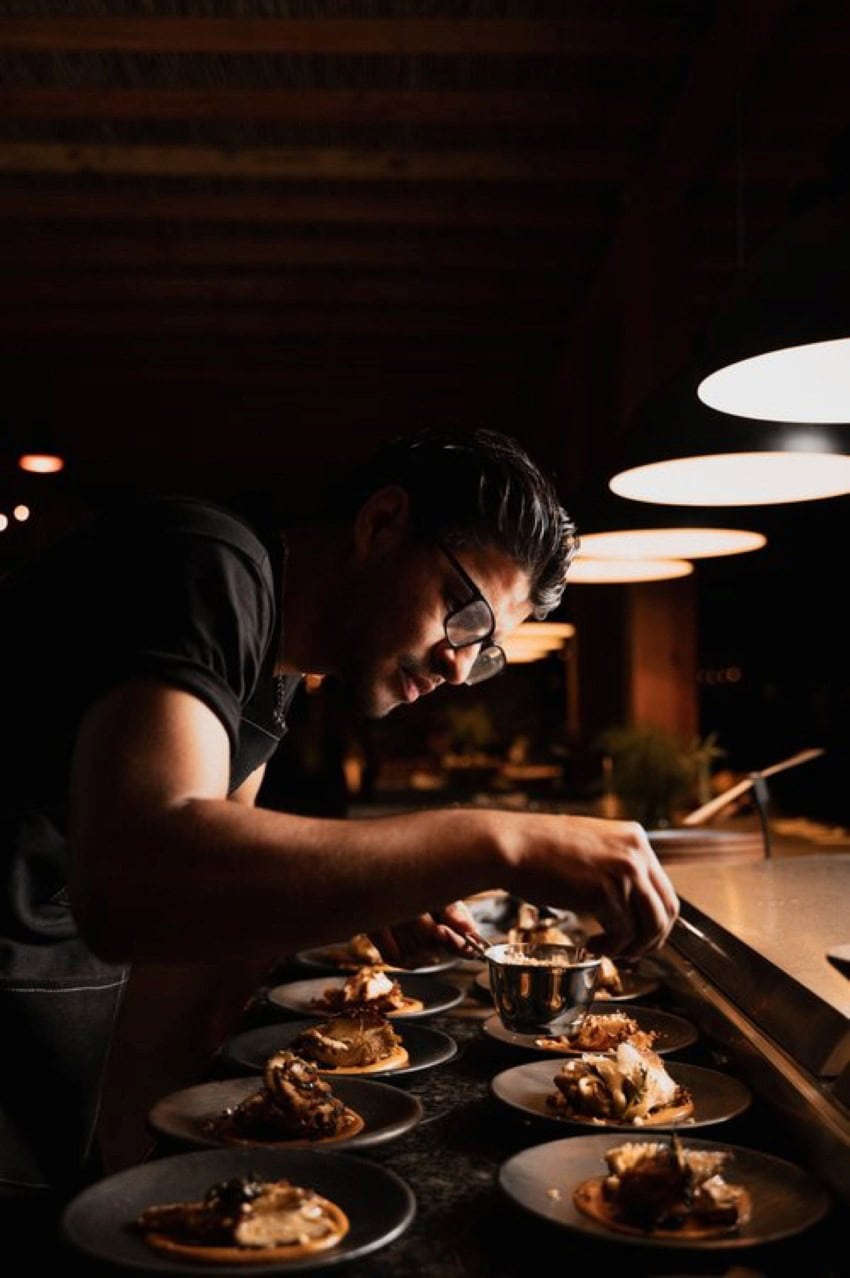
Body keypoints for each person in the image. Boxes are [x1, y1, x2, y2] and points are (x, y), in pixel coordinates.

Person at [0, 426, 678, 1207]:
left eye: (486, 650)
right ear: (382, 524)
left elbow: (205, 896)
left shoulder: (278, 665)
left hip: (46, 1042)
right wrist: (493, 838)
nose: (460, 666)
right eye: (463, 617)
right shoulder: (205, 564)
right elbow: (139, 878)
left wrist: (374, 889)